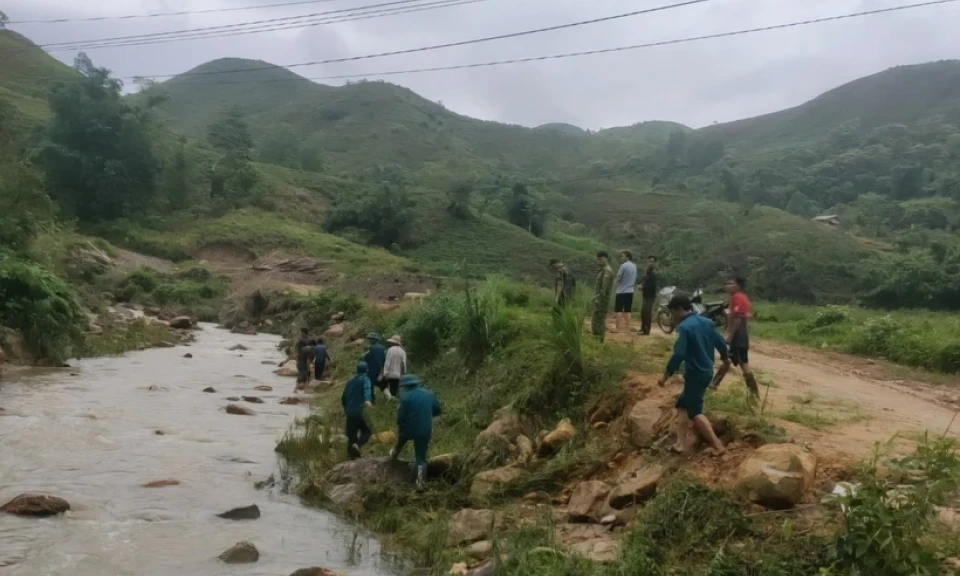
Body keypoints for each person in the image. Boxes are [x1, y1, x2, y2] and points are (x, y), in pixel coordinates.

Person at [657, 293, 730, 456]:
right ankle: (680, 444)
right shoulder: (706, 322)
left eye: (672, 312)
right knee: (682, 405)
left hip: (695, 373)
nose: (671, 316)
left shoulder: (684, 327)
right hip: (706, 371)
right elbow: (720, 342)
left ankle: (718, 446)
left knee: (695, 412)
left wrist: (665, 376)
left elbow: (679, 355)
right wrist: (725, 360)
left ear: (680, 310)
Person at [389, 374, 442, 489]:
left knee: (401, 442)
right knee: (421, 456)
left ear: (404, 386)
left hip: (407, 428)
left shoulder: (404, 397)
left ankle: (394, 455)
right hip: (424, 429)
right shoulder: (429, 394)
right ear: (417, 383)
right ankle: (420, 482)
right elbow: (438, 410)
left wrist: (401, 427)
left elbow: (400, 417)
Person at [718, 275, 760, 399]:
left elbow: (737, 318)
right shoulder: (738, 297)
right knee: (728, 359)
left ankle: (754, 393)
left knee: (743, 363)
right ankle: (713, 384)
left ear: (738, 286)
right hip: (739, 335)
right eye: (727, 283)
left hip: (739, 336)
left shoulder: (738, 298)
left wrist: (730, 335)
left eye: (731, 283)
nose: (728, 285)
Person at [342, 361, 374, 459]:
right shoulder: (365, 379)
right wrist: (367, 400)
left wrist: (346, 409)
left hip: (350, 413)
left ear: (357, 370)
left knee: (351, 437)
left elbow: (343, 397)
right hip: (360, 412)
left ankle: (349, 460)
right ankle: (358, 445)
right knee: (367, 431)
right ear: (367, 370)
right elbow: (367, 389)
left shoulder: (350, 381)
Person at [592, 251, 615, 342]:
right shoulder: (603, 270)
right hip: (600, 300)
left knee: (599, 321)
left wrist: (598, 299)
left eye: (600, 259)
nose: (598, 261)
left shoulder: (607, 271)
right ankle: (596, 340)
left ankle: (599, 341)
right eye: (597, 259)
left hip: (602, 301)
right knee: (596, 320)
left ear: (606, 259)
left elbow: (603, 289)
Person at [613, 250, 637, 333]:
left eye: (623, 256)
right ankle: (628, 328)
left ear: (628, 257)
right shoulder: (634, 266)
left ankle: (617, 328)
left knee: (619, 309)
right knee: (628, 310)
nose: (621, 257)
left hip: (621, 291)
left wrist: (616, 282)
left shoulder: (623, 266)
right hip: (630, 291)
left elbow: (618, 277)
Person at [363, 332, 386, 403]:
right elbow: (384, 359)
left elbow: (367, 359)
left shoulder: (372, 348)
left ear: (374, 340)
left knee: (370, 386)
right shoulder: (382, 348)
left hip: (371, 370)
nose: (369, 341)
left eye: (370, 339)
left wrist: (364, 356)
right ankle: (389, 396)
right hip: (381, 370)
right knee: (382, 385)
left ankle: (372, 401)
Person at [382, 334, 408, 400]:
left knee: (388, 388)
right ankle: (395, 400)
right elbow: (403, 364)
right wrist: (403, 374)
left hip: (390, 374)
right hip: (398, 374)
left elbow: (387, 362)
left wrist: (385, 373)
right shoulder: (403, 352)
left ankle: (391, 400)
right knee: (396, 388)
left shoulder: (390, 350)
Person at [639, 256, 658, 336]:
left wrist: (642, 287)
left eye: (652, 262)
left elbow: (652, 286)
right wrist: (641, 285)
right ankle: (643, 328)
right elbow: (645, 282)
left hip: (650, 296)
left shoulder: (653, 274)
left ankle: (647, 330)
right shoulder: (647, 273)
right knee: (643, 312)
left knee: (647, 313)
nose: (650, 263)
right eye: (649, 261)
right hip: (645, 295)